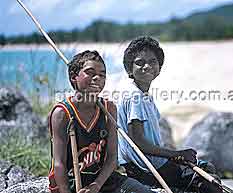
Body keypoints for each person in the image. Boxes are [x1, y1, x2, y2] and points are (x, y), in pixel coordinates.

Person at [117, 36, 223, 193]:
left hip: (147, 164)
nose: (147, 66)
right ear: (129, 69)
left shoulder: (141, 94)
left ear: (159, 67)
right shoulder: (135, 96)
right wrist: (175, 154)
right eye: (140, 62)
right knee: (208, 180)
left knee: (204, 169)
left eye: (153, 61)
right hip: (148, 168)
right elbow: (138, 142)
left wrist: (174, 156)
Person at [48, 50, 154, 193]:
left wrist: (97, 185)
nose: (97, 78)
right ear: (74, 77)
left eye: (102, 75)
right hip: (71, 182)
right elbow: (59, 164)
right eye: (90, 73)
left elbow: (112, 158)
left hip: (101, 180)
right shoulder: (63, 113)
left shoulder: (108, 109)